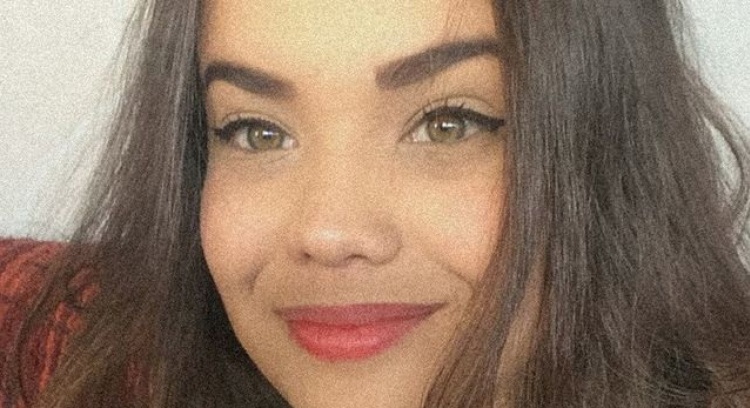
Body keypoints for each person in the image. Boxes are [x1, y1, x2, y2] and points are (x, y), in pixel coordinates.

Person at [2, 0, 750, 407]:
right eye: (257, 131)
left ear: (610, 152)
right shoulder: (92, 361)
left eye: (448, 122)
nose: (328, 232)